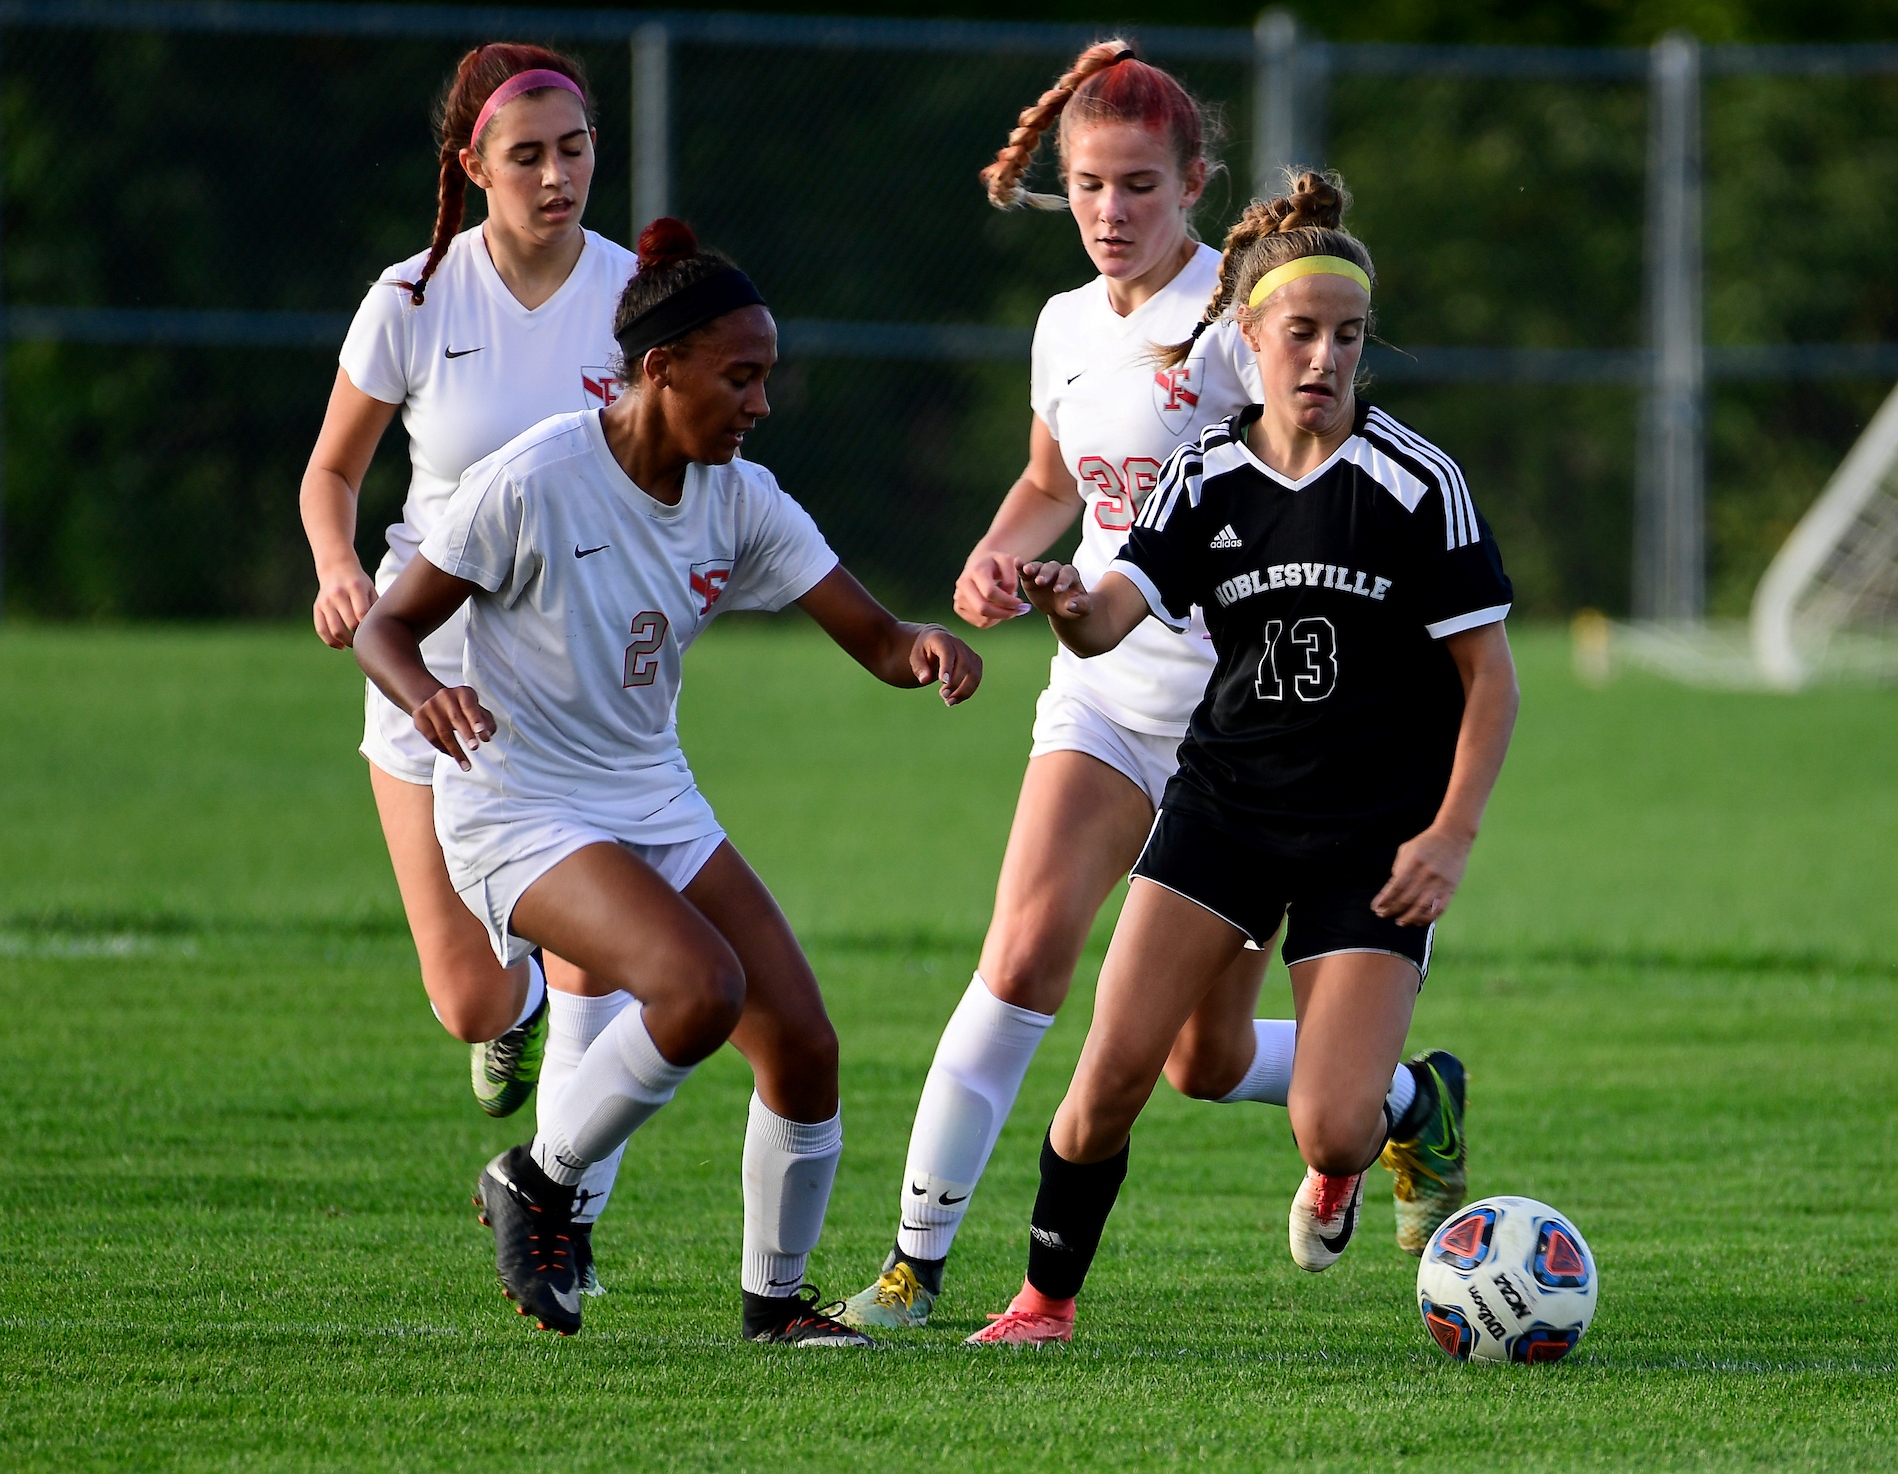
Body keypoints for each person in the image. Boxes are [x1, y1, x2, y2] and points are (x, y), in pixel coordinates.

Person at [841, 43, 1436, 1333]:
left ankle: (1400, 1102)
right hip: (1103, 694)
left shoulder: (1238, 333)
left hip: (1243, 736)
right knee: (1020, 956)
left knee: (1202, 1061)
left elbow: (1314, 472)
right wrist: (1002, 554)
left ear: (1193, 187)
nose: (1108, 212)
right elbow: (1057, 480)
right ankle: (911, 1266)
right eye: (1087, 186)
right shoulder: (1062, 323)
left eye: (1136, 186)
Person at [353, 218, 984, 1345]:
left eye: (765, 377)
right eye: (739, 376)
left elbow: (874, 637)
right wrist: (425, 696)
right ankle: (536, 1181)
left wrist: (923, 646)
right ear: (660, 370)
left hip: (650, 796)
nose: (759, 402)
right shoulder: (538, 477)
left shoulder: (737, 495)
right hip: (518, 805)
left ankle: (772, 1308)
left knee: (804, 1044)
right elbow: (387, 628)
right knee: (698, 988)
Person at [966, 171, 1519, 1345]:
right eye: (1300, 333)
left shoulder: (1416, 485)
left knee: (1326, 1123)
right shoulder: (1206, 471)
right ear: (1250, 338)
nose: (1323, 358)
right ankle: (1040, 1303)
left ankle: (1380, 1129)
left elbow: (1491, 683)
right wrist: (1066, 599)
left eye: (1348, 337)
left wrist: (1449, 834)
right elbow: (1113, 616)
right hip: (1222, 811)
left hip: (1367, 836)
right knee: (1130, 1069)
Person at [298, 44, 643, 1279]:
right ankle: (524, 1013)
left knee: (602, 947)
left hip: (576, 679)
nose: (558, 177)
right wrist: (343, 570)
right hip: (420, 663)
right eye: (528, 156)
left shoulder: (637, 296)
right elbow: (331, 469)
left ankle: (554, 1221)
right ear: (472, 168)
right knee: (473, 1003)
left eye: (576, 148)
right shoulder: (412, 295)